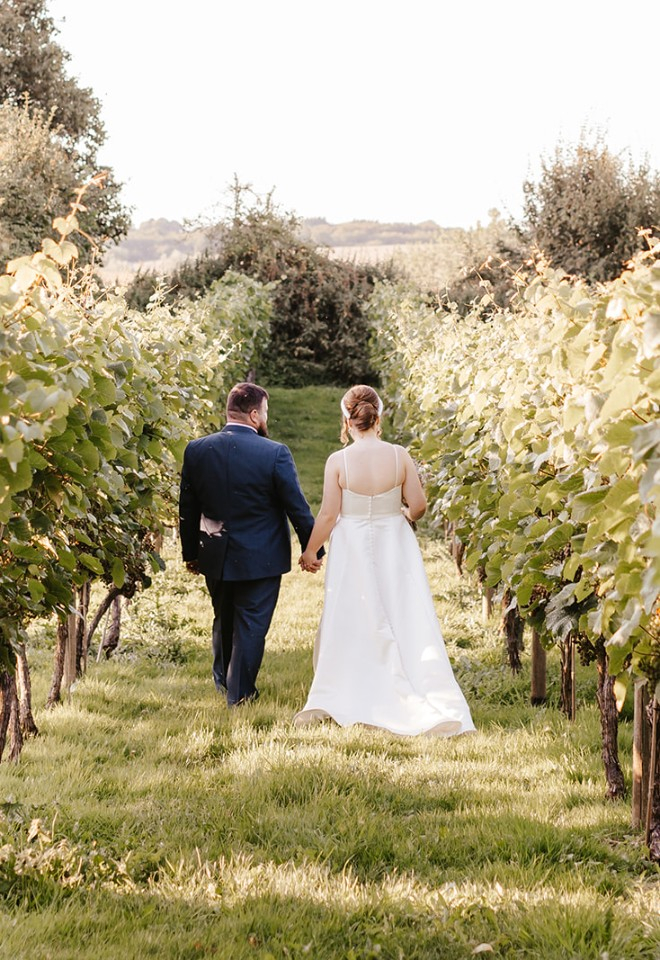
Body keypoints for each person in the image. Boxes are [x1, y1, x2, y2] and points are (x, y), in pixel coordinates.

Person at [295, 384, 475, 736]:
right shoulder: (399, 456)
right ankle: (415, 679)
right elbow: (419, 505)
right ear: (379, 418)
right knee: (401, 609)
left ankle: (352, 684)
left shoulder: (339, 461)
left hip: (351, 542)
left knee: (352, 609)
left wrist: (310, 551)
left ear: (347, 420)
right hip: (394, 539)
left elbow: (329, 514)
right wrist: (403, 515)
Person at [179, 383, 322, 706]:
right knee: (252, 623)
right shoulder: (274, 453)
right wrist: (312, 549)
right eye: (265, 412)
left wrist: (191, 554)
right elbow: (296, 506)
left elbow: (187, 507)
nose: (266, 418)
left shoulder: (197, 449)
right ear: (254, 414)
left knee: (224, 618)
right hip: (262, 556)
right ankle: (239, 694)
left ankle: (224, 682)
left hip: (214, 552)